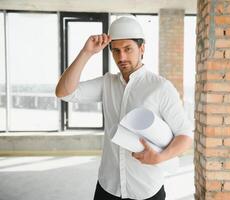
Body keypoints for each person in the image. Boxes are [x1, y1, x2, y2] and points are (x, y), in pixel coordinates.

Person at [55, 16, 193, 200]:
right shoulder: (107, 84)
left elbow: (185, 135)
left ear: (142, 48)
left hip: (147, 189)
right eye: (116, 51)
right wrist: (86, 52)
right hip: (108, 187)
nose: (122, 57)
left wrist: (160, 157)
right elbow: (64, 92)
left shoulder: (160, 87)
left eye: (128, 49)